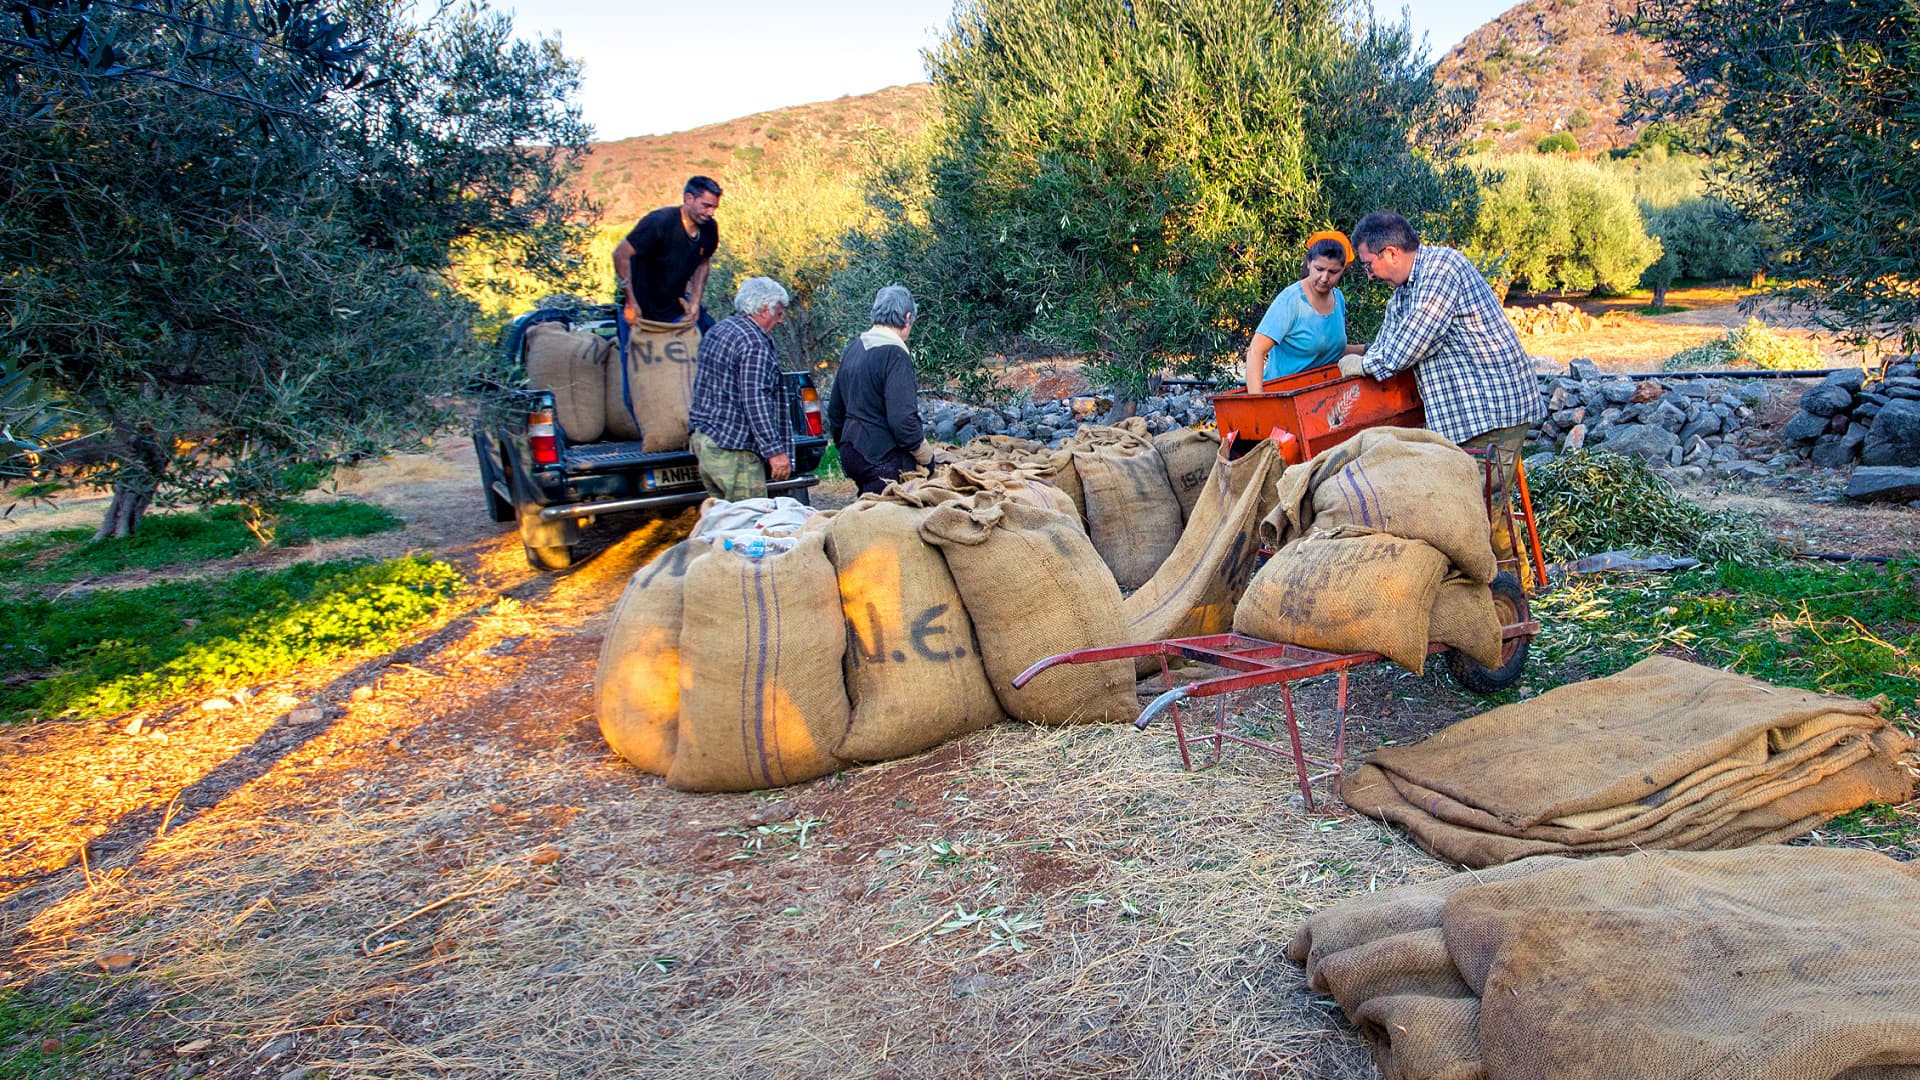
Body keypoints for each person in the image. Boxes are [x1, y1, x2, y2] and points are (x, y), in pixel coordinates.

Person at [1337, 210, 1546, 573]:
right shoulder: (1401, 297)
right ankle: (1514, 591)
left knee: (1473, 513)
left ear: (1390, 253)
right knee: (1483, 509)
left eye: (1369, 264)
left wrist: (1365, 364)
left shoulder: (1442, 269)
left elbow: (1413, 341)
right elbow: (1388, 344)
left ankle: (1497, 601)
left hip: (1492, 409)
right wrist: (1362, 360)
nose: (1368, 275)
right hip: (1463, 420)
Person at [827, 285, 951, 494]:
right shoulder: (894, 355)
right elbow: (902, 420)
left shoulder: (855, 348)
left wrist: (844, 446)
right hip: (881, 458)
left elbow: (835, 411)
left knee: (865, 512)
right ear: (907, 317)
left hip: (852, 451)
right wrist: (926, 457)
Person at [688, 277, 793, 501]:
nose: (781, 320)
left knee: (725, 521)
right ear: (764, 310)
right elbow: (756, 400)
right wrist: (774, 451)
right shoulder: (754, 344)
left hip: (707, 443)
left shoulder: (719, 331)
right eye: (779, 313)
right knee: (750, 520)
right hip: (735, 451)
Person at [612, 176, 721, 362]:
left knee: (704, 346)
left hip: (674, 310)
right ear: (688, 198)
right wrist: (630, 301)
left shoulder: (709, 229)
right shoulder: (659, 222)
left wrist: (695, 301)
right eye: (706, 206)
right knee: (635, 369)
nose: (710, 212)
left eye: (714, 207)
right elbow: (620, 254)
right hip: (640, 310)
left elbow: (703, 263)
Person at [1245, 231, 1366, 393]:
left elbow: (1332, 349)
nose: (1324, 277)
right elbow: (1256, 351)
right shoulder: (1290, 301)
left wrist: (1368, 349)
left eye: (1333, 272)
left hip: (1322, 394)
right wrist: (1257, 404)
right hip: (1284, 394)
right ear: (1309, 263)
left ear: (1343, 270)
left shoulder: (1338, 299)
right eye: (1319, 269)